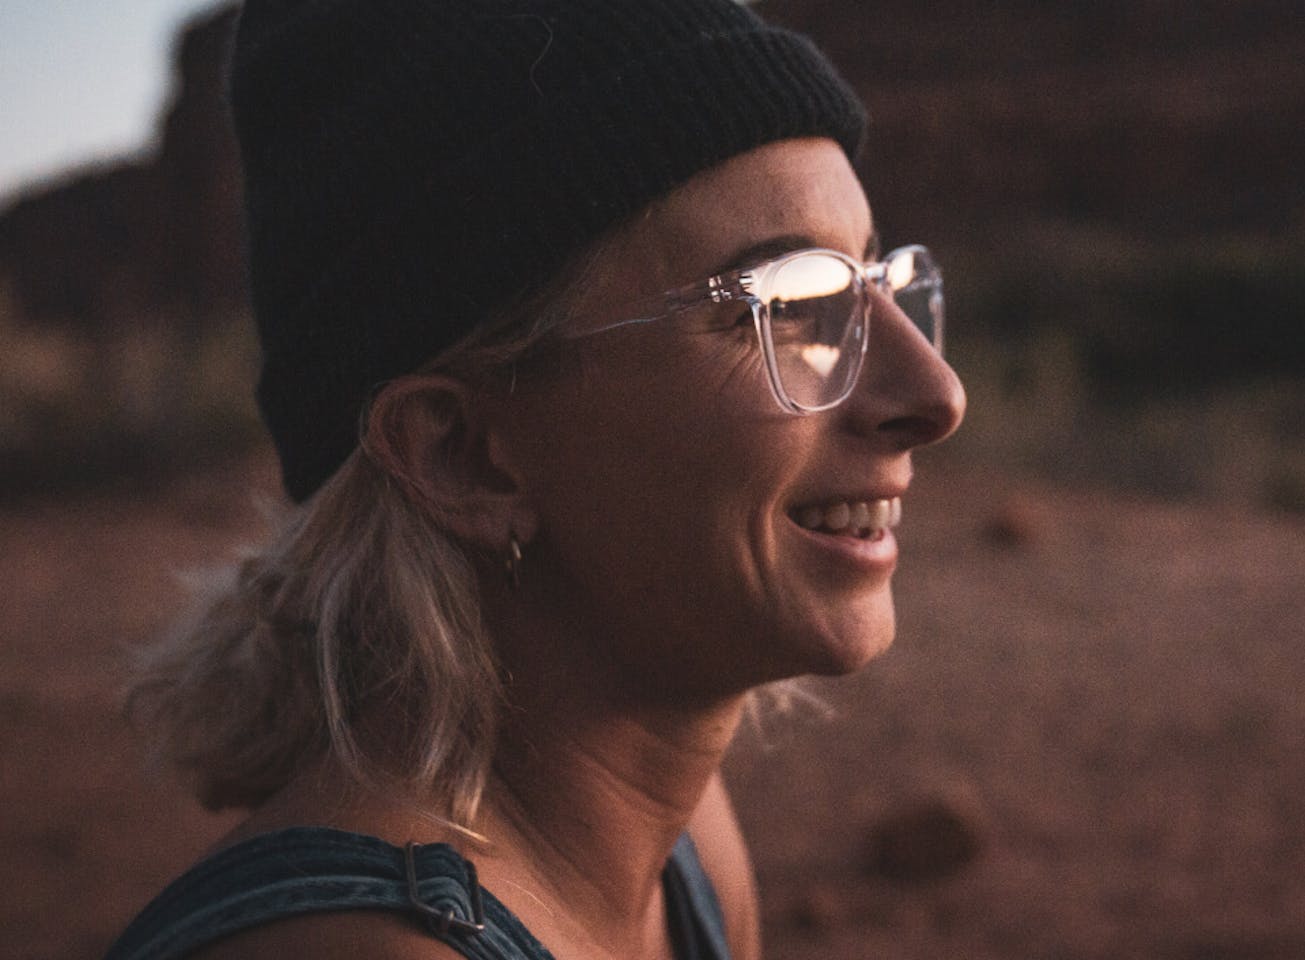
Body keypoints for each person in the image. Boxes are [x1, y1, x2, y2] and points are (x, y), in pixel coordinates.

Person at [106, 1, 965, 958]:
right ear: (463, 455)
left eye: (876, 285)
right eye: (795, 304)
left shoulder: (681, 848)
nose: (936, 394)